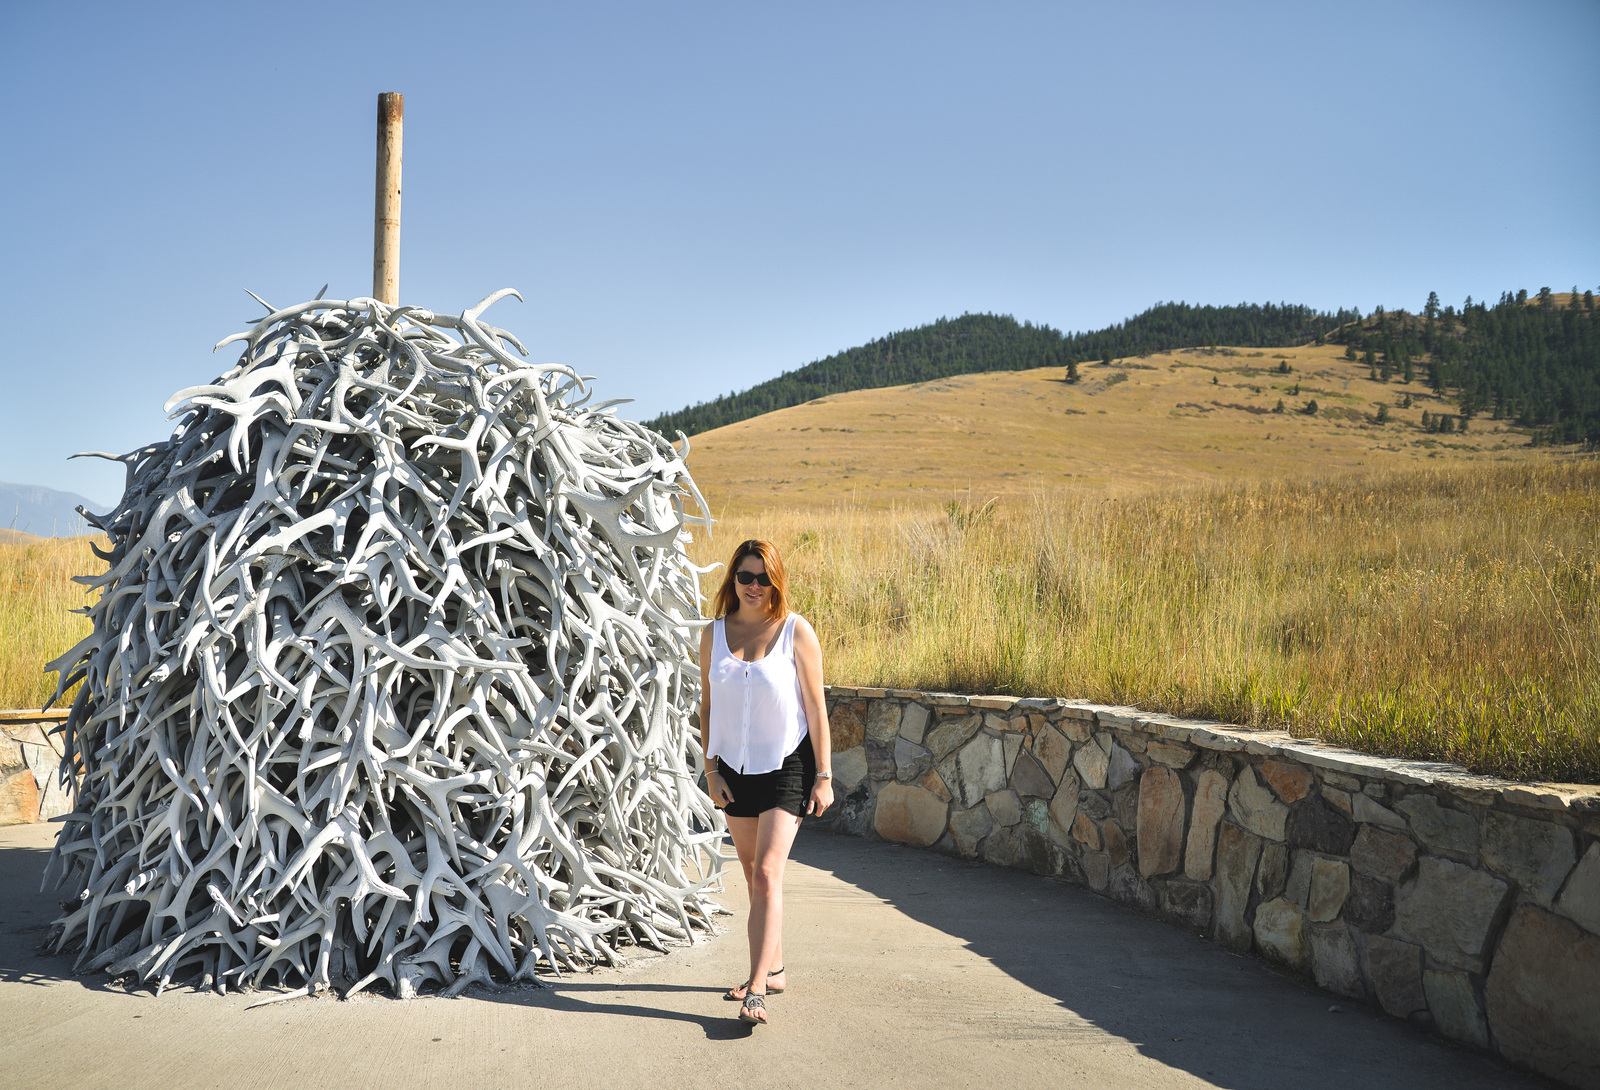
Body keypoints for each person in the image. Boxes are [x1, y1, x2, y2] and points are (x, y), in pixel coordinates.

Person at [699, 538, 833, 1027]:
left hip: (786, 766)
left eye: (763, 578)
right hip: (734, 770)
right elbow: (707, 706)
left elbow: (816, 708)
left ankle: (756, 990)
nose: (754, 586)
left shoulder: (796, 630)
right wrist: (711, 770)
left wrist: (823, 776)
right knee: (752, 869)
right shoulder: (714, 634)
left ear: (776, 582)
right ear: (733, 579)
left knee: (766, 874)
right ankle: (773, 969)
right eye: (745, 577)